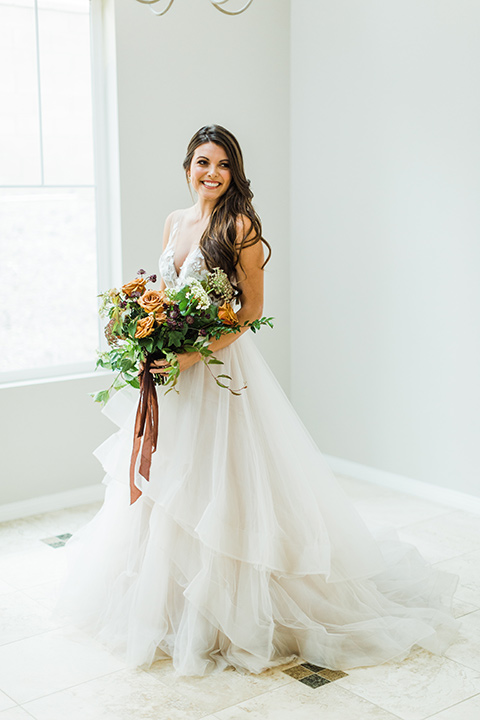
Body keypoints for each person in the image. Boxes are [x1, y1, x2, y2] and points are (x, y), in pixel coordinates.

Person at [54, 124, 460, 677]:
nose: (212, 174)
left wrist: (193, 355)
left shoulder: (240, 226)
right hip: (171, 377)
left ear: (234, 171)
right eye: (203, 162)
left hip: (216, 372)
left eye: (223, 164)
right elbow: (167, 293)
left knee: (224, 483)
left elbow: (247, 313)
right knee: (169, 484)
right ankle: (169, 604)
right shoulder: (175, 221)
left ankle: (237, 610)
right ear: (187, 167)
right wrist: (146, 330)